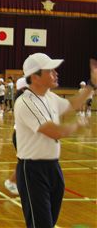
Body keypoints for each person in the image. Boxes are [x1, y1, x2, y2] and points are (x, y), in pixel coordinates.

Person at [14, 53, 97, 228]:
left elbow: (72, 104)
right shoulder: (26, 102)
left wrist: (92, 85)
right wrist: (76, 126)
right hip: (32, 171)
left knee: (49, 223)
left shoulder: (49, 96)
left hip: (53, 168)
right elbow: (53, 132)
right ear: (35, 76)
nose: (55, 74)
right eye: (50, 71)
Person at [4, 77, 28, 195]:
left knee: (26, 161)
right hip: (21, 136)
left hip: (23, 135)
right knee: (24, 161)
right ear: (24, 89)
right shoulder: (23, 101)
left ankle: (21, 183)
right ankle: (11, 181)